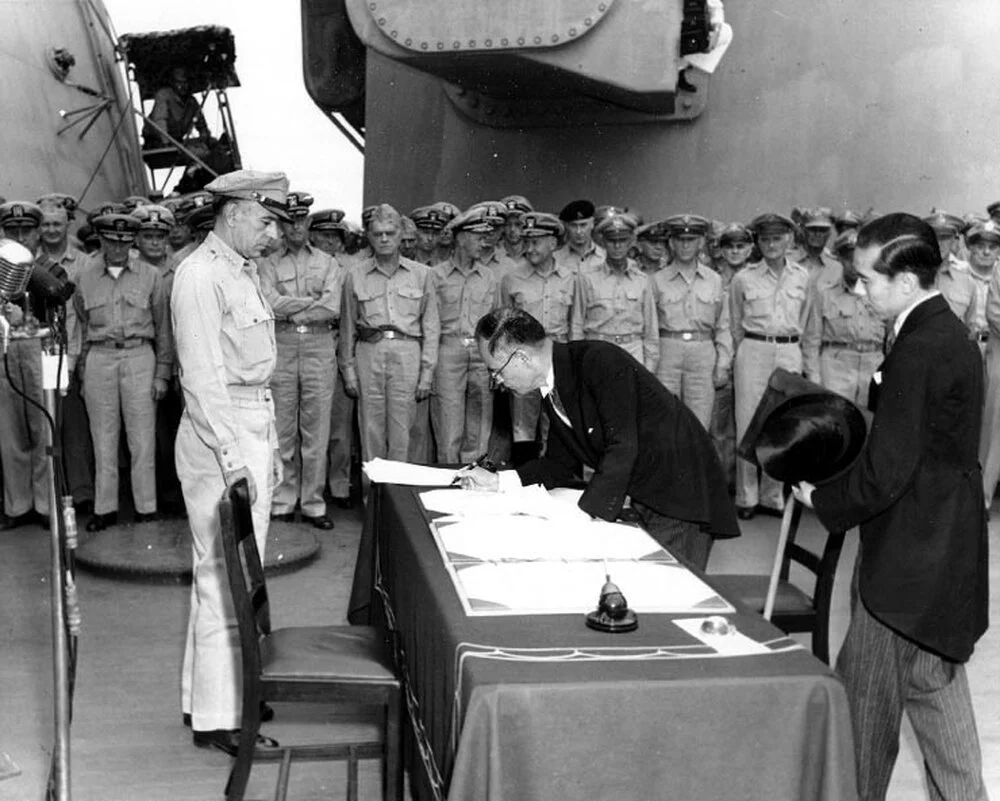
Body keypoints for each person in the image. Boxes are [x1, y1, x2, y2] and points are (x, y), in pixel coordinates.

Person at [794, 213, 989, 801]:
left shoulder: (920, 347)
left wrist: (821, 498)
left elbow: (889, 471)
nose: (859, 289)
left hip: (904, 569)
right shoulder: (944, 331)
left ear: (905, 281)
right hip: (944, 557)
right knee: (934, 691)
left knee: (864, 721)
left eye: (868, 279)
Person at [461, 307, 740, 570]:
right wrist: (500, 481)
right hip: (647, 490)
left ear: (521, 357)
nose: (497, 381)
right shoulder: (553, 384)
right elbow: (559, 463)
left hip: (681, 495)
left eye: (496, 371)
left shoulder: (599, 361)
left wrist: (582, 515)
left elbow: (623, 446)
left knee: (671, 592)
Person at [172, 169, 288, 755]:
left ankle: (212, 696)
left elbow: (255, 371)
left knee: (234, 572)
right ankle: (222, 718)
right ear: (235, 211)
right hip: (219, 432)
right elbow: (202, 379)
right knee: (224, 575)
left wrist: (268, 450)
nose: (273, 235)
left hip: (249, 425)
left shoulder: (243, 271)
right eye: (266, 221)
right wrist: (232, 457)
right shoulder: (199, 275)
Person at [73, 213, 172, 531]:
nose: (117, 248)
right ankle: (105, 509)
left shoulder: (150, 275)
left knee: (142, 438)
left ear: (132, 241)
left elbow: (163, 328)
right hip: (100, 357)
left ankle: (146, 507)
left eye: (124, 241)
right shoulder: (84, 276)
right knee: (103, 437)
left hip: (140, 355)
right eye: (111, 241)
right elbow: (83, 321)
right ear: (100, 240)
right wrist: (83, 370)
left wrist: (162, 373)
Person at [258, 191, 342, 529]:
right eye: (288, 220)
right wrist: (308, 303)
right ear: (281, 224)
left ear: (308, 222)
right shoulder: (267, 263)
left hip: (319, 345)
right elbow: (268, 302)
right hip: (282, 344)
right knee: (282, 428)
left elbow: (331, 306)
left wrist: (290, 306)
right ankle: (283, 500)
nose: (295, 226)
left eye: (301, 220)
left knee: (316, 430)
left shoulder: (328, 263)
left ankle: (313, 504)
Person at [339, 204, 439, 462]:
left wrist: (427, 374)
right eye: (377, 233)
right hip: (369, 351)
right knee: (370, 428)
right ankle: (372, 496)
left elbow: (431, 326)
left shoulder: (422, 275)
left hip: (407, 352)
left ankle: (398, 498)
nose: (384, 239)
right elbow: (348, 327)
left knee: (403, 428)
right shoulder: (355, 275)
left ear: (401, 236)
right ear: (369, 237)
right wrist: (348, 371)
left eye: (390, 233)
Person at [730, 212, 811, 520]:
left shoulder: (802, 276)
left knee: (781, 423)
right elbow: (735, 321)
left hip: (789, 349)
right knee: (749, 421)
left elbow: (807, 320)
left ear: (789, 240)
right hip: (754, 348)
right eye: (765, 239)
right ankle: (747, 496)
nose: (771, 245)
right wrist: (749, 348)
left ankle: (772, 495)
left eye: (777, 238)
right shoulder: (744, 278)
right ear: (757, 242)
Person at [500, 212, 576, 463]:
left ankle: (555, 476)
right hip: (524, 358)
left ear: (553, 244)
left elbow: (576, 323)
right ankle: (524, 476)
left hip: (557, 357)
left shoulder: (572, 278)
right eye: (526, 241)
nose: (529, 248)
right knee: (523, 424)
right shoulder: (511, 279)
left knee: (557, 420)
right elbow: (503, 327)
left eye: (536, 242)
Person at [430, 206, 501, 463]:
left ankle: (474, 487)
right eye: (478, 236)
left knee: (479, 428)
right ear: (460, 238)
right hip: (448, 352)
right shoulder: (435, 276)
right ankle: (448, 486)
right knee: (449, 429)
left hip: (481, 355)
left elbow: (496, 324)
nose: (485, 242)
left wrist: (495, 364)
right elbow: (430, 322)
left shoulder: (489, 278)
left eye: (487, 236)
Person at [652, 214, 731, 429]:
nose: (685, 246)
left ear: (701, 243)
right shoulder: (657, 280)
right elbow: (649, 327)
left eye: (691, 240)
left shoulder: (714, 280)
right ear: (671, 243)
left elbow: (723, 325)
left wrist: (723, 362)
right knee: (664, 420)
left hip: (702, 352)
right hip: (667, 351)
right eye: (680, 240)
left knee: (699, 423)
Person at [131, 203, 185, 516]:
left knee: (179, 433)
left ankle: (177, 495)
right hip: (149, 358)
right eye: (148, 235)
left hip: (183, 359)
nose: (154, 242)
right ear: (136, 238)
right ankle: (159, 497)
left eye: (160, 235)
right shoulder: (132, 268)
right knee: (150, 436)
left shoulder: (181, 266)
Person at [0, 201, 49, 529]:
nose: (20, 236)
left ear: (37, 233)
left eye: (26, 231)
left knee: (42, 428)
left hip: (38, 349)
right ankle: (17, 506)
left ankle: (45, 505)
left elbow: (63, 314)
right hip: (5, 350)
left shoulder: (46, 269)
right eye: (13, 231)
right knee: (9, 432)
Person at [802, 229, 886, 407]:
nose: (855, 265)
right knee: (836, 421)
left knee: (870, 424)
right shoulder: (825, 294)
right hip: (835, 368)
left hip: (873, 366)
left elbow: (893, 338)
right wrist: (814, 378)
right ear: (839, 259)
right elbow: (812, 340)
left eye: (861, 260)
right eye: (849, 259)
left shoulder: (882, 296)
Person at [571, 213, 659, 372]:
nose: (617, 246)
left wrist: (650, 368)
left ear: (631, 242)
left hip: (632, 351)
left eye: (622, 240)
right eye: (612, 241)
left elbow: (650, 330)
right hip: (598, 350)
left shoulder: (642, 280)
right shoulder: (587, 278)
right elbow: (577, 325)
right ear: (603, 242)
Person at [145, 66, 212, 149]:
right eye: (179, 83)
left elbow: (201, 124)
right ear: (172, 83)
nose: (183, 86)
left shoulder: (192, 102)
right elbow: (160, 121)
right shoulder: (164, 95)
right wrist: (166, 144)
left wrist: (205, 138)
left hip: (177, 142)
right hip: (157, 144)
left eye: (185, 83)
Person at [554, 199, 606, 274]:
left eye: (583, 225)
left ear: (592, 224)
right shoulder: (556, 258)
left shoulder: (605, 257)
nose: (579, 231)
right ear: (566, 226)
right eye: (573, 225)